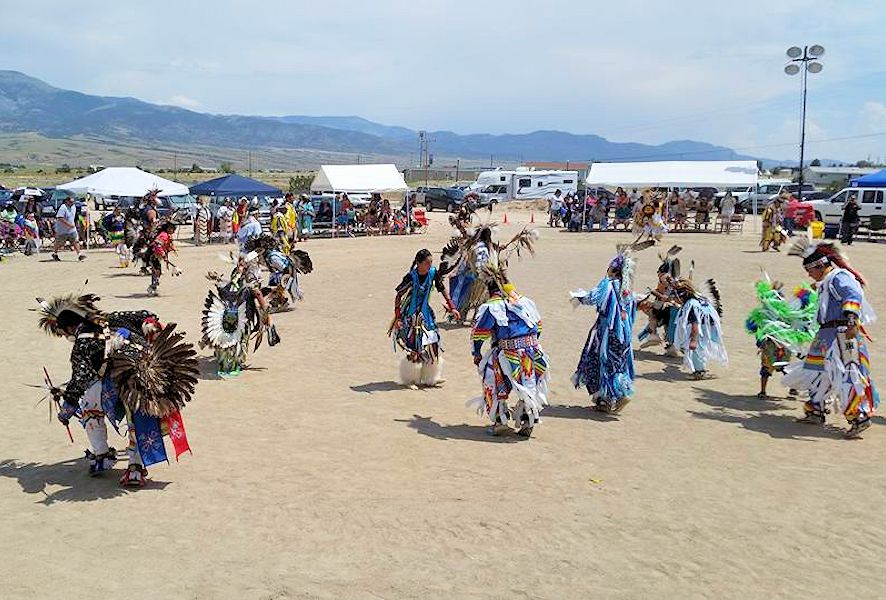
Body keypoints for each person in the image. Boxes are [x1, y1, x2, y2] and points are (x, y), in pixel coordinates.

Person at [36, 294, 197, 486]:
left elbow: (80, 379)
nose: (65, 337)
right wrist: (147, 325)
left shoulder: (82, 343)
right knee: (137, 416)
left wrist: (67, 409)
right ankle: (135, 468)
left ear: (69, 328)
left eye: (63, 333)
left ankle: (101, 455)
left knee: (90, 402)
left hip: (123, 379)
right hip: (151, 369)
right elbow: (146, 314)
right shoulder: (114, 318)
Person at [783, 238, 878, 438]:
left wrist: (851, 320)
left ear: (820, 265)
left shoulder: (838, 277)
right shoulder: (826, 282)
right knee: (815, 373)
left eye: (809, 269)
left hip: (842, 333)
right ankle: (815, 411)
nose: (808, 274)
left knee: (846, 374)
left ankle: (859, 416)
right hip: (826, 335)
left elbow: (853, 294)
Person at [469, 266, 549, 437]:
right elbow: (539, 326)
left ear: (489, 290)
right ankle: (528, 421)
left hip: (510, 353)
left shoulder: (492, 307)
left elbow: (478, 334)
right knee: (528, 386)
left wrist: (476, 353)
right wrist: (528, 345)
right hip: (534, 352)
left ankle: (500, 420)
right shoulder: (524, 302)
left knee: (491, 375)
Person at [571, 241, 650, 414]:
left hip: (606, 334)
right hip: (624, 336)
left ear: (614, 270)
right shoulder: (627, 291)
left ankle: (611, 397)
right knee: (618, 364)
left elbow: (594, 297)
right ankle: (613, 395)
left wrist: (579, 297)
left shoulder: (609, 283)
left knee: (600, 363)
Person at [389, 249, 460, 388]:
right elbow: (399, 296)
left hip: (425, 314)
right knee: (414, 346)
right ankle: (410, 380)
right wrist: (398, 317)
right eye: (427, 263)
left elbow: (441, 288)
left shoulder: (432, 273)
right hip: (411, 316)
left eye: (431, 262)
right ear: (418, 263)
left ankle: (430, 377)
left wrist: (452, 306)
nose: (430, 265)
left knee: (433, 342)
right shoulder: (411, 277)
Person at [201, 251, 279, 377]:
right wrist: (266, 313)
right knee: (240, 338)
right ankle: (233, 364)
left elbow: (227, 289)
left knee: (227, 334)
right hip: (243, 312)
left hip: (227, 310)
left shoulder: (236, 273)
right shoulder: (250, 276)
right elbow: (258, 294)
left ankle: (224, 363)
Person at [745, 277, 818, 399]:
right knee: (777, 367)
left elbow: (757, 329)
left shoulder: (785, 312)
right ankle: (779, 389)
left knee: (777, 367)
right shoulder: (771, 313)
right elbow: (758, 329)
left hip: (782, 342)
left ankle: (774, 390)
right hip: (777, 343)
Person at [673, 278, 728, 379]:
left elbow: (695, 323)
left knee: (696, 348)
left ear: (683, 295)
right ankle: (699, 370)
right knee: (696, 348)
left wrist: (694, 340)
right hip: (705, 326)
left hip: (702, 328)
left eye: (676, 296)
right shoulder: (694, 299)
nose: (674, 298)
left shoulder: (691, 305)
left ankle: (700, 372)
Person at [147, 222, 181, 296]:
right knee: (156, 271)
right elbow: (157, 245)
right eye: (170, 228)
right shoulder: (164, 235)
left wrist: (172, 248)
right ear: (167, 228)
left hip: (156, 256)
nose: (171, 230)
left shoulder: (168, 236)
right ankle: (153, 288)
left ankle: (154, 287)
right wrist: (163, 255)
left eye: (172, 229)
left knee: (157, 272)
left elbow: (166, 245)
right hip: (154, 255)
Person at [52, 196, 85, 261]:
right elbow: (60, 218)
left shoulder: (74, 207)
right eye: (71, 202)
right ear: (67, 201)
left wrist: (75, 223)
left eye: (73, 202)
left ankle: (79, 255)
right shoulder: (63, 207)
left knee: (76, 241)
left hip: (72, 229)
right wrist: (69, 224)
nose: (72, 203)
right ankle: (54, 253)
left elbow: (73, 216)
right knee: (60, 243)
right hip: (62, 230)